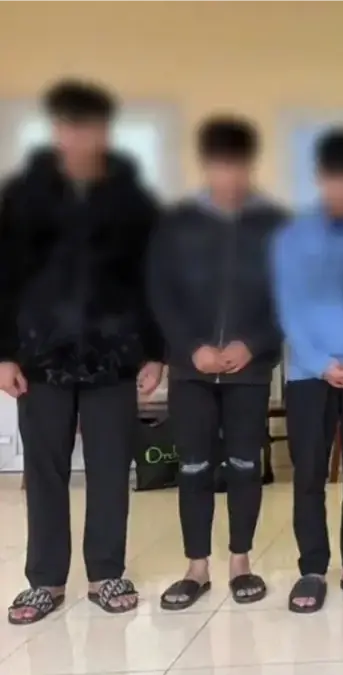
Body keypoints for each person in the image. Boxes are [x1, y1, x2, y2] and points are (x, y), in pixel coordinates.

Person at [0, 80, 164, 623]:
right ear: (56, 131)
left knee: (111, 466)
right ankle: (44, 580)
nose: (78, 137)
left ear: (104, 132)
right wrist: (4, 353)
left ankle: (105, 572)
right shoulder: (22, 196)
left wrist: (155, 350)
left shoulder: (132, 200)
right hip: (40, 355)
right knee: (45, 469)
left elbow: (150, 278)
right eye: (69, 126)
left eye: (89, 127)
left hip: (113, 355)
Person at [148, 116, 287, 610]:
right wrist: (191, 348)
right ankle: (197, 568)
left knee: (246, 466)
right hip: (192, 372)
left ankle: (241, 562)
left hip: (249, 371)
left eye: (238, 166)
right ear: (206, 165)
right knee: (194, 468)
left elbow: (289, 296)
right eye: (220, 166)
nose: (229, 176)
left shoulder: (274, 225)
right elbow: (161, 294)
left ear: (250, 166)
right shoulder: (178, 224)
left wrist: (254, 343)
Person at [271, 128, 343, 613]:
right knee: (309, 475)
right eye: (333, 178)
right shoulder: (294, 237)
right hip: (308, 374)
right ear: (320, 179)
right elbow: (289, 306)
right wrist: (321, 363)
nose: (342, 188)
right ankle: (313, 570)